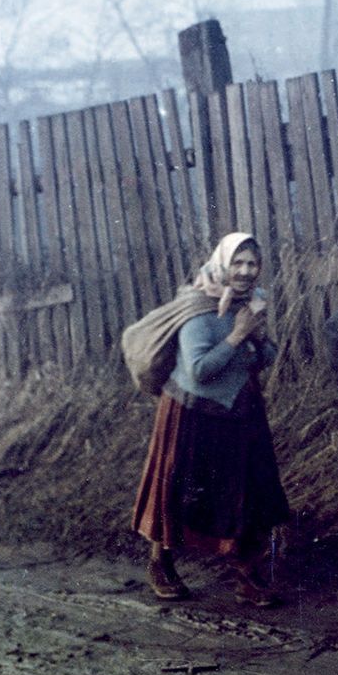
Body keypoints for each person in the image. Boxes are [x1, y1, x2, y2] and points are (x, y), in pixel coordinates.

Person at [130, 232, 290, 605]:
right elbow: (201, 370)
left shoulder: (250, 304)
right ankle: (161, 562)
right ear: (222, 264)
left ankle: (247, 575)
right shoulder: (198, 309)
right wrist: (237, 336)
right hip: (192, 412)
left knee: (246, 492)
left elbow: (265, 358)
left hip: (239, 410)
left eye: (252, 264)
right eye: (238, 263)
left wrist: (257, 336)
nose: (246, 271)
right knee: (175, 493)